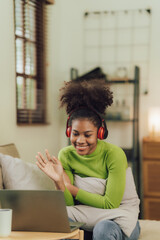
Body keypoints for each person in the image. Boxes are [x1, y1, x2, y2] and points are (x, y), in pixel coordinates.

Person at [36, 78, 140, 240]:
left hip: (117, 217)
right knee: (58, 221)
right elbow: (69, 205)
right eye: (75, 134)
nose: (80, 141)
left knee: (103, 229)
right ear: (69, 131)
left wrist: (69, 187)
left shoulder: (114, 154)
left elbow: (110, 204)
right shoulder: (66, 154)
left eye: (88, 135)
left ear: (100, 133)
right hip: (85, 216)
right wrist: (58, 182)